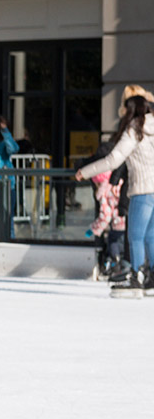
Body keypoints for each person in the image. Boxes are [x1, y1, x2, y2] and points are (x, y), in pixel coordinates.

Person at [75, 93, 154, 295]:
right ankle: (152, 278)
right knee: (151, 237)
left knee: (135, 236)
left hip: (143, 191)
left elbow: (113, 161)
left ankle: (136, 277)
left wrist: (85, 172)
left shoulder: (134, 131)